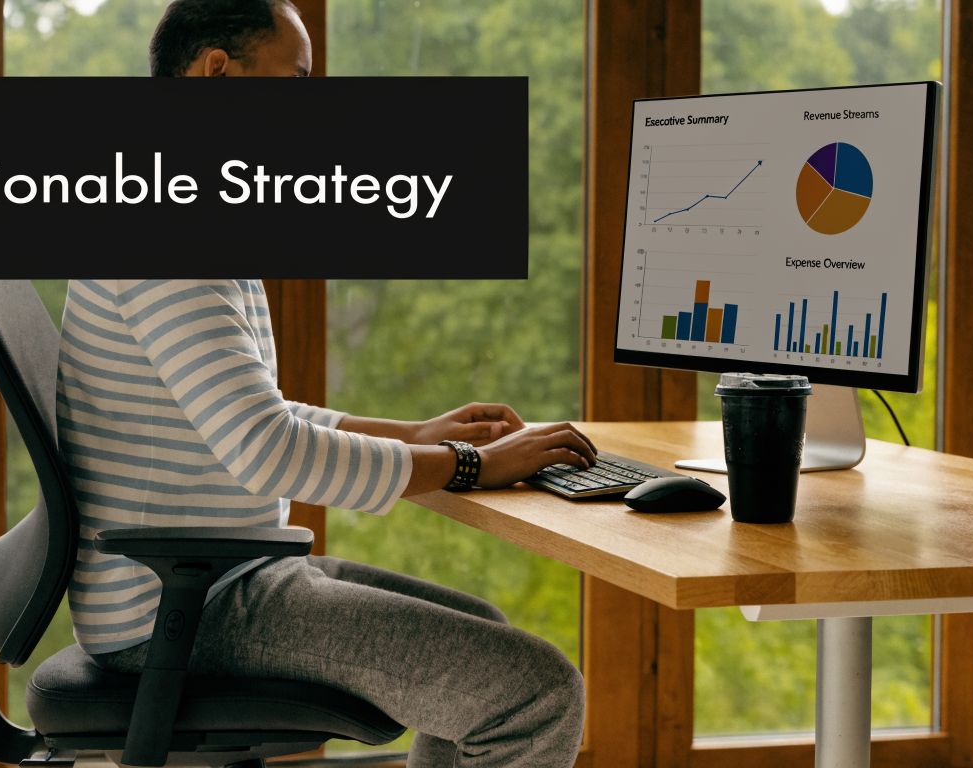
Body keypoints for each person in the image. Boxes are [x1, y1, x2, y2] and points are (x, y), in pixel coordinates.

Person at [63, 10, 590, 766]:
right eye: (297, 80)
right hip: (184, 606)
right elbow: (266, 450)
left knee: (488, 640)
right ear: (218, 73)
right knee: (534, 693)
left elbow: (255, 413)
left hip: (214, 576)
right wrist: (469, 466)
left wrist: (413, 435)